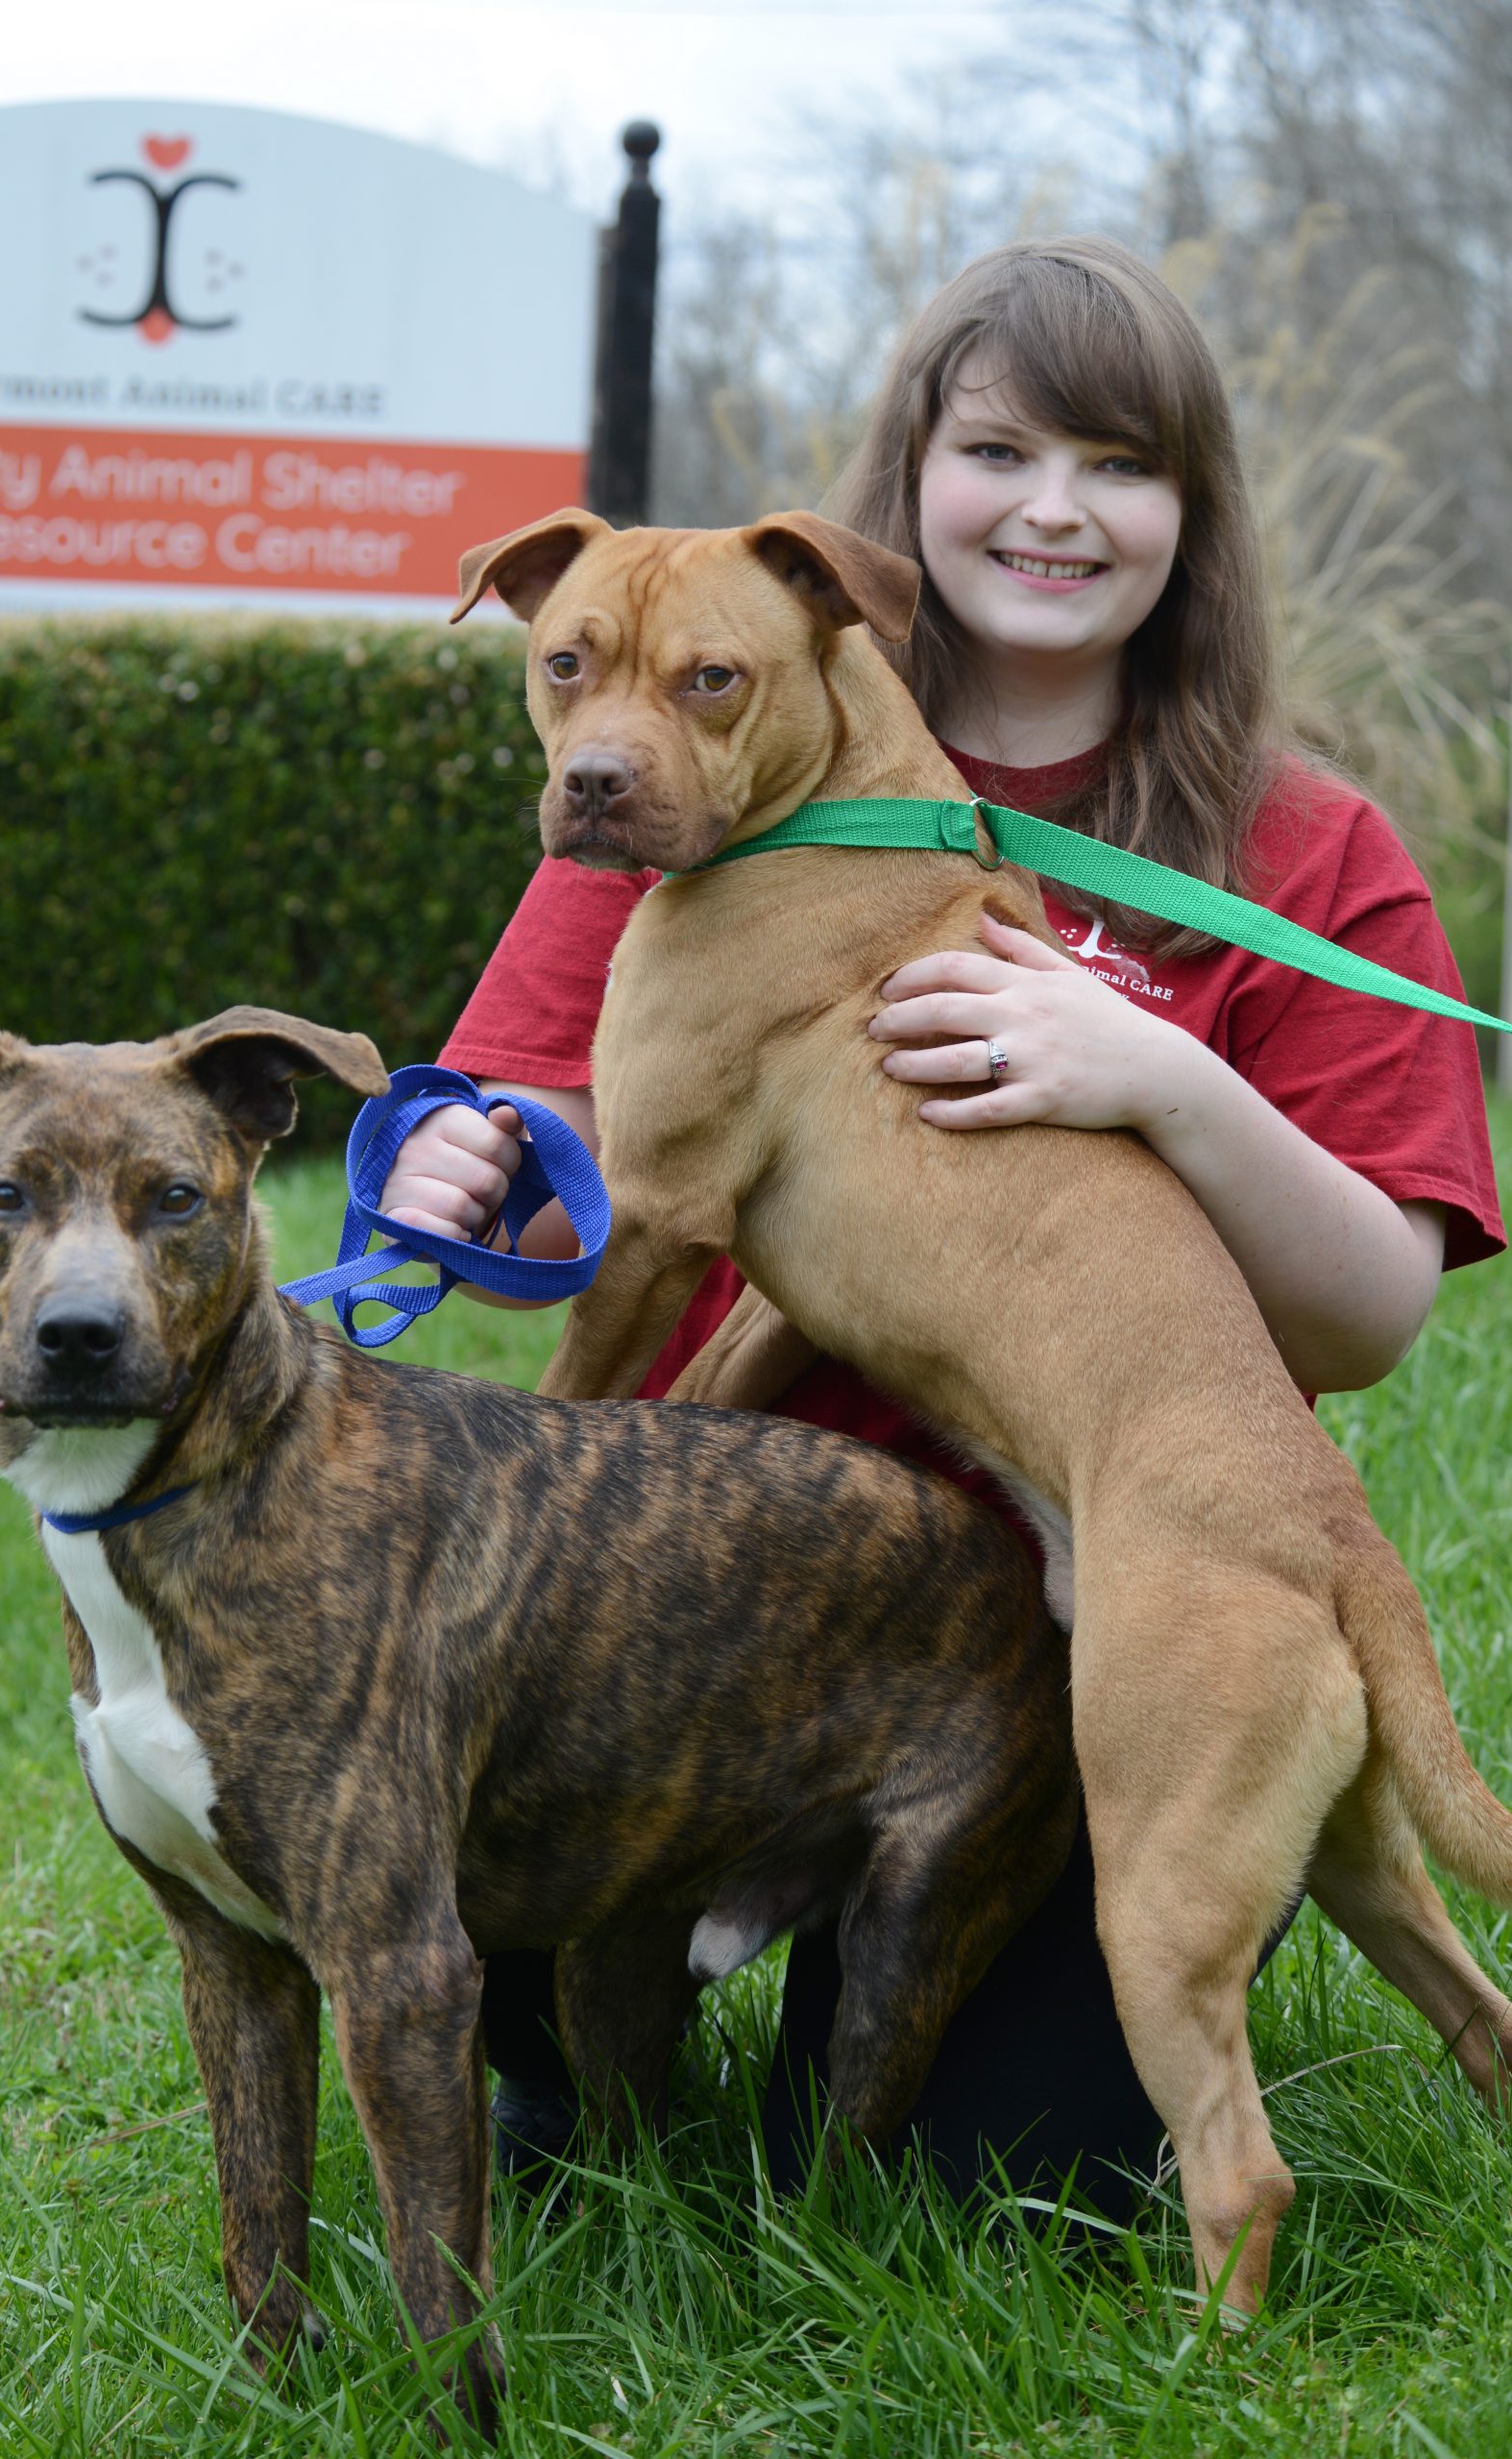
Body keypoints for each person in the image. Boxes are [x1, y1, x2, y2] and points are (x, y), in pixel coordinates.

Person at [379, 235, 1505, 2217]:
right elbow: (563, 1149)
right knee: (432, 1715)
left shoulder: (1312, 851)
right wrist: (448, 1167)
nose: (1057, 506)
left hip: (1058, 1581)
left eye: (1121, 463)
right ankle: (557, 2030)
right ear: (909, 487)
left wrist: (1160, 1073)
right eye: (1001, 448)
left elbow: (1367, 1316)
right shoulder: (670, 786)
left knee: (1022, 2180)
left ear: (1194, 516)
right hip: (727, 1569)